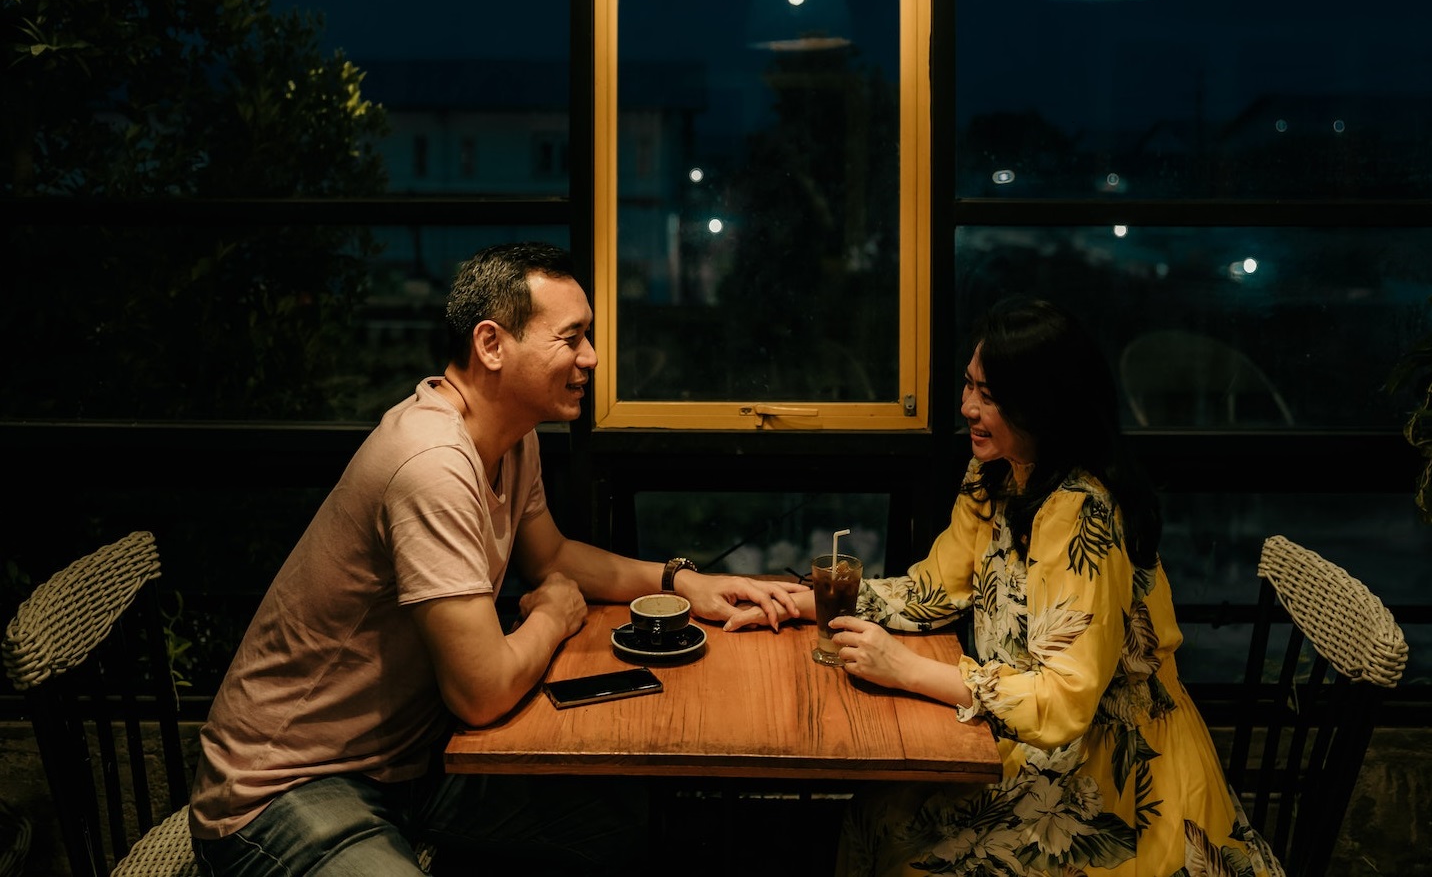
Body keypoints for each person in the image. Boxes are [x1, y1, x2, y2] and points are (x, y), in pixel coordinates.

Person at [188, 241, 803, 876]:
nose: (590, 357)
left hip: (416, 762)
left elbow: (553, 555)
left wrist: (682, 583)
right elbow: (481, 693)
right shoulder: (433, 463)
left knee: (632, 827)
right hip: (287, 786)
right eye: (571, 338)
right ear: (491, 345)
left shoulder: (511, 438)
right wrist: (554, 617)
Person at [727, 296, 1277, 877]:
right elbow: (936, 587)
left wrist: (907, 669)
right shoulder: (996, 473)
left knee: (907, 852)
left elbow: (1065, 702)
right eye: (969, 387)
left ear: (1044, 405)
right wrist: (813, 599)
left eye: (989, 397)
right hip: (1027, 744)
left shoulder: (1083, 511)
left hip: (1108, 775)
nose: (966, 407)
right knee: (875, 809)